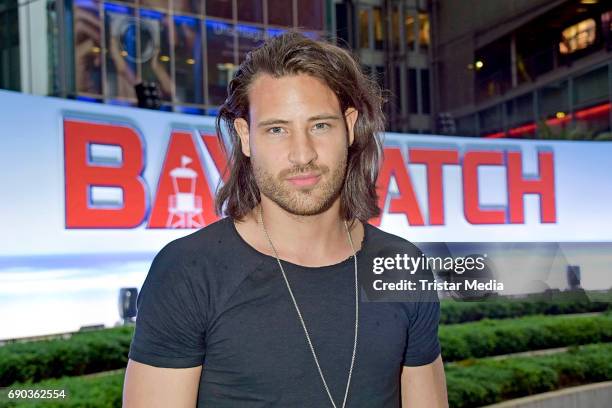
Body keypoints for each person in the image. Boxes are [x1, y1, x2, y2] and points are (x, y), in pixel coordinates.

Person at [123, 31, 448, 407]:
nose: (302, 154)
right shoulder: (189, 272)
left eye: (320, 125)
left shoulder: (403, 267)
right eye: (277, 129)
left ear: (350, 126)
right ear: (245, 136)